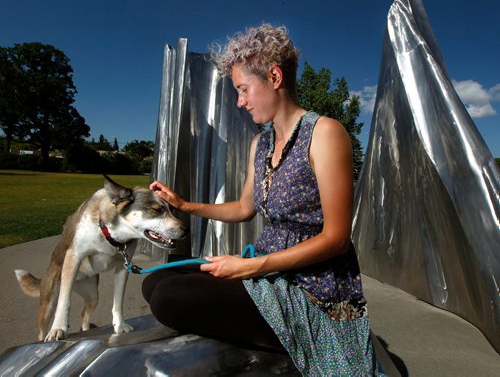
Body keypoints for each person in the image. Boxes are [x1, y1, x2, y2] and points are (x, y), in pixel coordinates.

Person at [142, 23, 378, 375]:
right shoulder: (261, 144)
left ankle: (291, 347)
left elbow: (336, 239)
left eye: (243, 89)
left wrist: (249, 266)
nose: (240, 101)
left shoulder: (325, 134)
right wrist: (184, 206)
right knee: (155, 281)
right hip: (267, 270)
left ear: (274, 76)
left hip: (310, 288)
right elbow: (243, 207)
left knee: (168, 298)